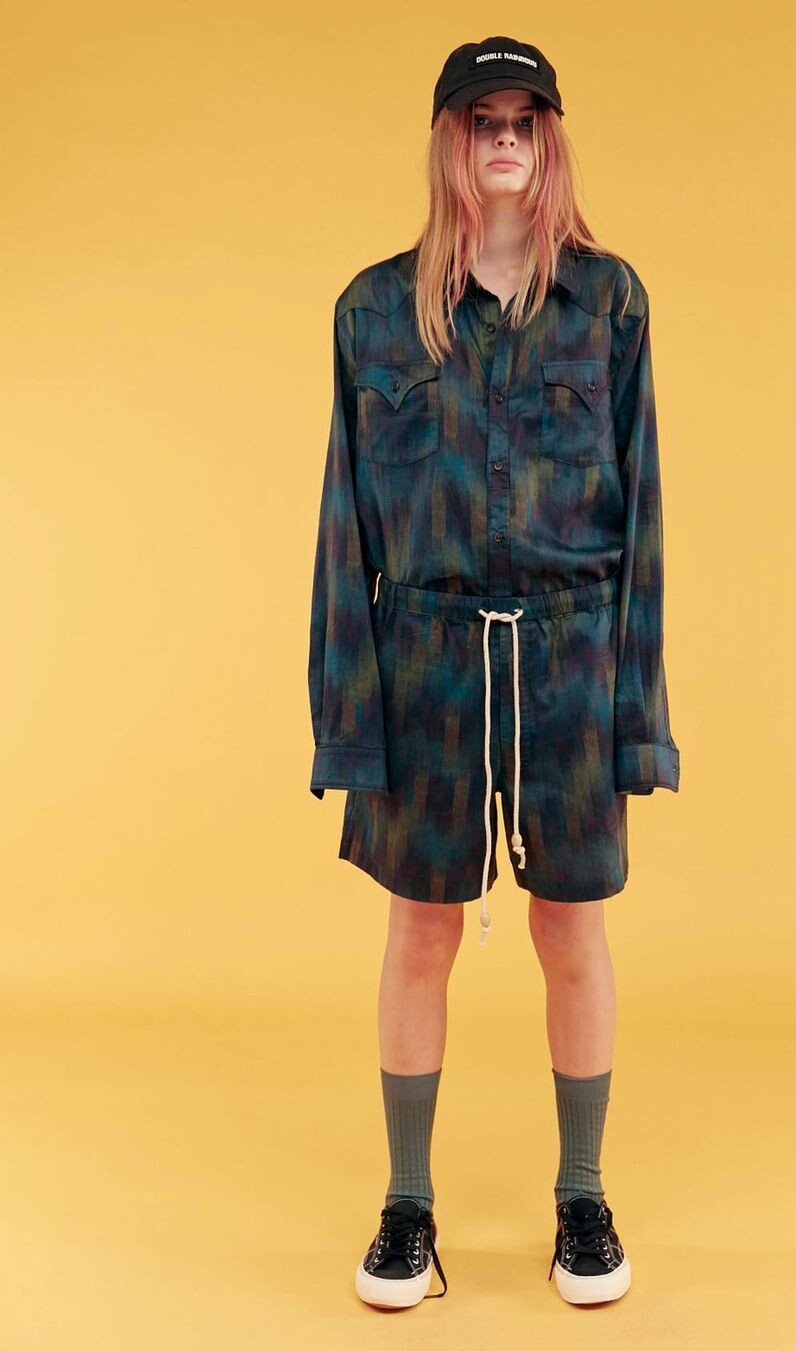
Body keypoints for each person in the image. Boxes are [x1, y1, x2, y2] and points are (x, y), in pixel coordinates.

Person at [306, 35, 680, 1309]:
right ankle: (407, 1206)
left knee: (569, 926)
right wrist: (348, 725)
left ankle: (583, 1195)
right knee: (421, 928)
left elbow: (644, 521)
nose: (505, 138)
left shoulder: (610, 303)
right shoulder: (374, 312)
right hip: (426, 658)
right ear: (450, 141)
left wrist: (638, 719)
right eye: (482, 119)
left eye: (525, 118)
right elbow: (344, 528)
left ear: (550, 138)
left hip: (570, 656)